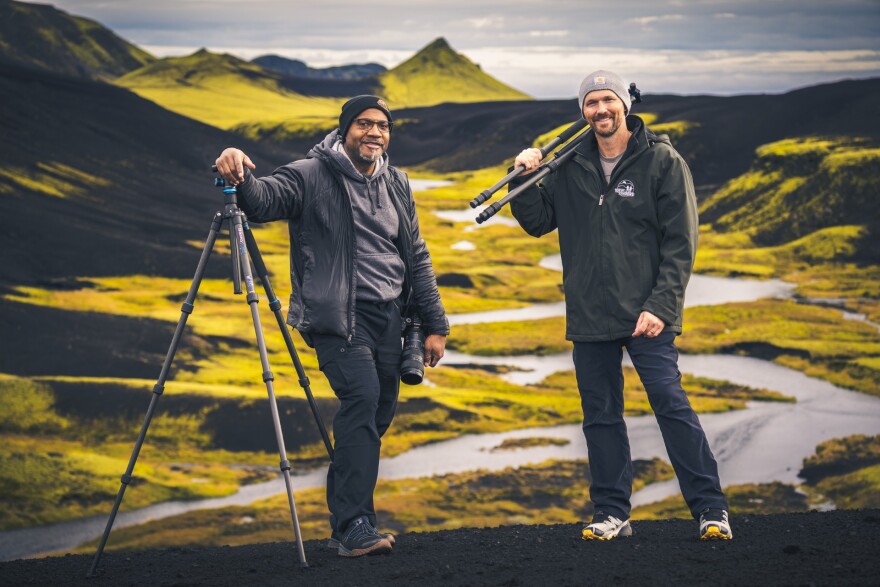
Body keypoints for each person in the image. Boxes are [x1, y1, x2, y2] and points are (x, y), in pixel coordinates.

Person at [214, 95, 449, 557]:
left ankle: (349, 521)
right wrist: (237, 169)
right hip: (337, 317)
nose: (374, 133)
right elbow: (262, 202)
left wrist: (435, 323)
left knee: (375, 417)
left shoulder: (397, 183)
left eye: (382, 126)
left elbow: (416, 254)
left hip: (389, 317)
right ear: (345, 130)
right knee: (361, 400)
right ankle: (355, 525)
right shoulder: (309, 174)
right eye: (364, 124)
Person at [510, 71, 732, 541]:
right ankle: (612, 513)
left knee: (671, 405)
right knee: (600, 415)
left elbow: (681, 243)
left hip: (647, 315)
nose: (600, 110)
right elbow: (537, 221)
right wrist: (526, 177)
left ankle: (711, 510)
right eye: (591, 103)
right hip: (590, 312)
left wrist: (662, 305)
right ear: (583, 111)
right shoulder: (569, 164)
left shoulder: (661, 161)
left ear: (625, 105)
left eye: (608, 100)